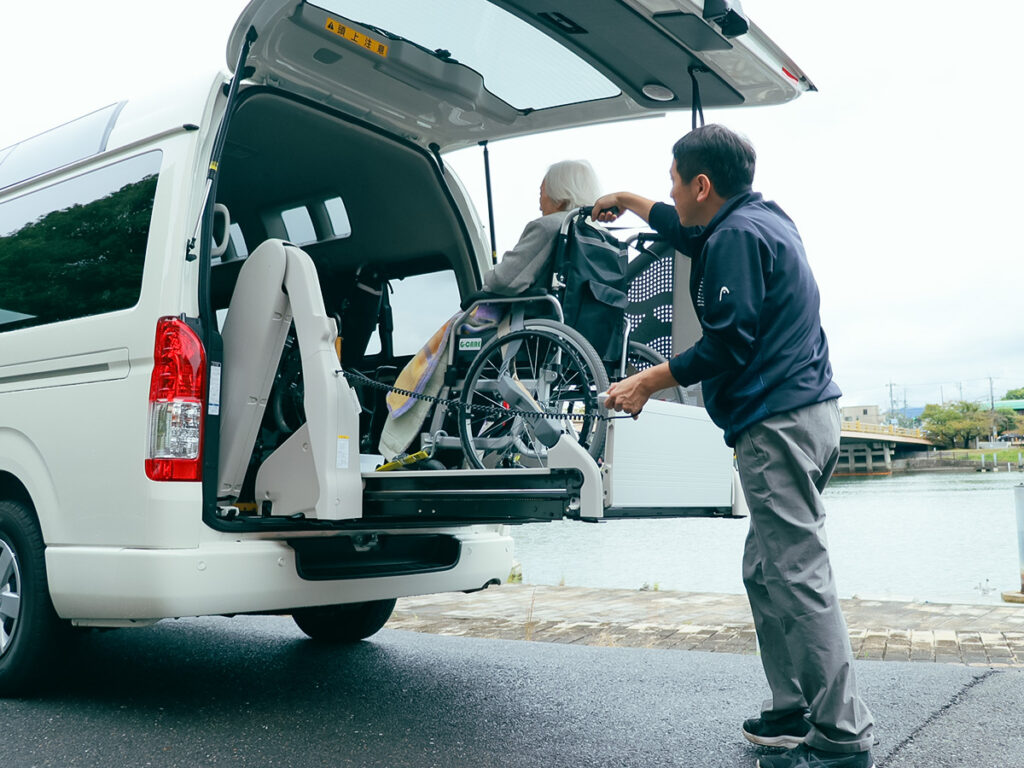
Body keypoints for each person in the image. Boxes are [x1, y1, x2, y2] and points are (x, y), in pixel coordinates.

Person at [592, 124, 875, 768]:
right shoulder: (765, 219)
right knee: (765, 568)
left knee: (797, 573)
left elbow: (727, 342)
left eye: (672, 179)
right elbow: (685, 227)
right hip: (810, 415)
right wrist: (631, 200)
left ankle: (841, 731)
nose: (669, 191)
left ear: (701, 184)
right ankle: (793, 707)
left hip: (775, 425)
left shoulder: (735, 239)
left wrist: (644, 381)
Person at [480, 159, 602, 296]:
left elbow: (503, 281)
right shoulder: (602, 235)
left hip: (543, 315)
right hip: (593, 317)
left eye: (541, 193)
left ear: (560, 195)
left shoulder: (549, 227)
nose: (540, 205)